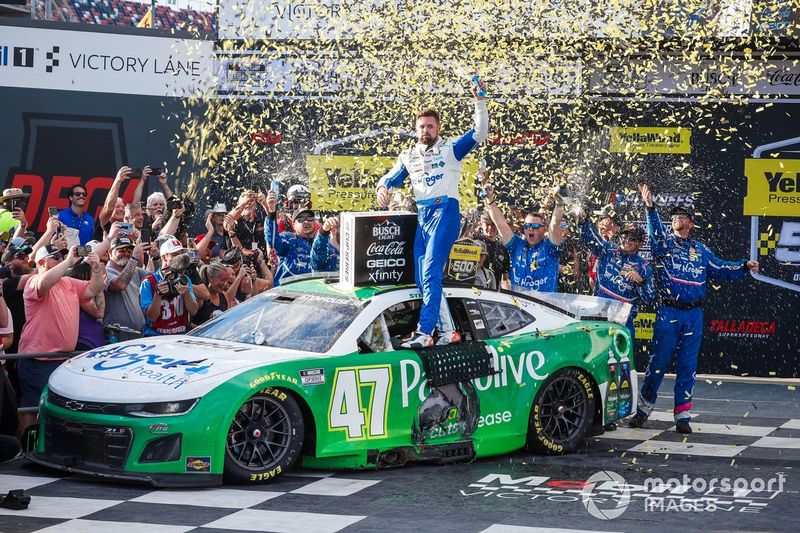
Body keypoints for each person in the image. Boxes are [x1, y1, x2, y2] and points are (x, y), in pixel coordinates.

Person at [629, 184, 759, 434]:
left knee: (687, 366)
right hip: (669, 312)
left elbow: (721, 268)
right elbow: (654, 231)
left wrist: (744, 266)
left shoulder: (701, 250)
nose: (677, 219)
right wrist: (650, 208)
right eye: (674, 217)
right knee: (658, 363)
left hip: (694, 314)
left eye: (682, 217)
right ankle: (643, 411)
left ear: (690, 224)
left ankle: (683, 416)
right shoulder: (663, 245)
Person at [375, 79, 489, 348]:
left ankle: (425, 332)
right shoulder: (408, 155)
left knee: (430, 273)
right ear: (415, 130)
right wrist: (382, 187)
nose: (426, 130)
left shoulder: (450, 149)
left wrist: (479, 101)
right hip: (423, 215)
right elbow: (390, 178)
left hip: (446, 211)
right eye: (421, 127)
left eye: (430, 126)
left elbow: (480, 132)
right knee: (421, 277)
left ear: (438, 128)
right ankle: (448, 331)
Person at [18, 245, 104, 430]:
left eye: (62, 256)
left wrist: (96, 271)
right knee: (32, 406)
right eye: (55, 257)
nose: (62, 259)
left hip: (62, 359)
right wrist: (67, 262)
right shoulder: (33, 280)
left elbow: (93, 290)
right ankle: (25, 449)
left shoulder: (68, 282)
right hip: (38, 359)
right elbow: (43, 284)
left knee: (56, 407)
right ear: (41, 262)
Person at [579, 216, 655, 354]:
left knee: (622, 358)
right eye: (624, 236)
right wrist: (584, 222)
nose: (626, 240)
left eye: (632, 239)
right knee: (595, 354)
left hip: (623, 320)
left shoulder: (644, 266)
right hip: (599, 314)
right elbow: (590, 240)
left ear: (640, 243)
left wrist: (641, 282)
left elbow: (650, 297)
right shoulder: (608, 249)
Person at [483, 186, 565, 292]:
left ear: (543, 229)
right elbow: (500, 224)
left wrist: (559, 205)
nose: (530, 229)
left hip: (545, 305)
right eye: (527, 226)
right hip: (520, 305)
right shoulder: (516, 245)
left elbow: (554, 225)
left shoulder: (549, 247)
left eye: (535, 226)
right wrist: (490, 199)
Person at [139, 238, 199, 336]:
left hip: (180, 336)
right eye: (175, 255)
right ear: (163, 257)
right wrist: (158, 296)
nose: (179, 259)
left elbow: (194, 311)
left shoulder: (185, 279)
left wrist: (186, 294)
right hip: (156, 337)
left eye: (180, 255)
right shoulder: (148, 282)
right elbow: (152, 317)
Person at [264, 200, 319, 285]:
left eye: (310, 218)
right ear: (293, 225)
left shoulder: (321, 242)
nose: (306, 221)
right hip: (288, 293)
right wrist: (271, 213)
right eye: (301, 219)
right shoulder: (289, 239)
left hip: (314, 293)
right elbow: (273, 241)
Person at [104, 235, 148, 332]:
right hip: (116, 336)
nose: (126, 254)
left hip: (138, 334)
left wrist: (156, 257)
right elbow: (120, 284)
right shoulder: (104, 272)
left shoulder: (135, 270)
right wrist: (135, 258)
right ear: (110, 253)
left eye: (129, 251)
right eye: (122, 250)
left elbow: (156, 280)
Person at [70, 261, 106, 351]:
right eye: (97, 275)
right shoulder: (78, 292)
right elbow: (99, 313)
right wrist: (100, 289)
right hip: (84, 343)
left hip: (94, 343)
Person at [588, 211, 621, 292]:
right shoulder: (597, 248)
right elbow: (592, 278)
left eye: (606, 228)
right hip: (601, 294)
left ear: (617, 227)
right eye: (601, 228)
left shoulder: (624, 247)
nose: (603, 231)